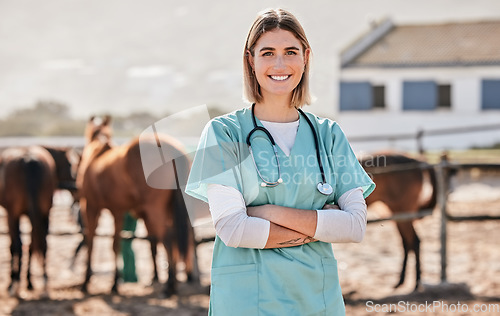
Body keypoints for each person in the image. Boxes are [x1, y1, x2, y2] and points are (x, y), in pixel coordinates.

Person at [185, 8, 375, 315]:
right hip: (248, 300)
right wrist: (318, 226)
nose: (280, 64)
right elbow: (234, 229)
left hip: (316, 297)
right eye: (268, 53)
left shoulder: (329, 135)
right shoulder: (222, 133)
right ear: (251, 60)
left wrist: (267, 212)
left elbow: (354, 226)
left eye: (290, 52)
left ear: (306, 57)